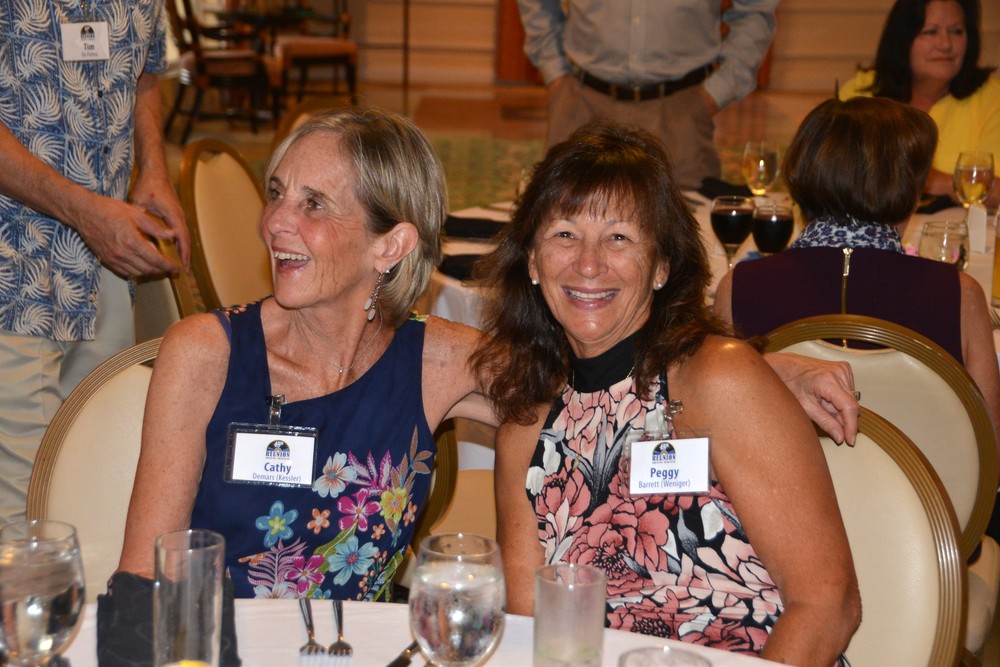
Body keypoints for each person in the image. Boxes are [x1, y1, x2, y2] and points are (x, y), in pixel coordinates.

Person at [473, 120, 861, 662]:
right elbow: (530, 630)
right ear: (533, 262)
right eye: (564, 234)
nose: (589, 263)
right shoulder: (525, 430)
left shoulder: (718, 381)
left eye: (619, 237)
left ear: (660, 266)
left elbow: (828, 605)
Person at [116, 108, 494, 600]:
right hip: (220, 637)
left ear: (390, 246)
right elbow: (144, 577)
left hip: (362, 642)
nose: (274, 222)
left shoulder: (434, 360)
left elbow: (573, 405)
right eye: (276, 193)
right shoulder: (207, 354)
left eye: (314, 204)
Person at [713, 96, 1000, 444]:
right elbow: (990, 444)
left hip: (777, 477)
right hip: (926, 480)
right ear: (908, 191)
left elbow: (718, 423)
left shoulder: (739, 286)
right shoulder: (960, 294)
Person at [0, 1, 189, 526]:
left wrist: (154, 167)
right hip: (14, 271)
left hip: (105, 263)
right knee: (23, 514)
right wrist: (83, 211)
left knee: (96, 489)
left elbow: (146, 69)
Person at [517, 0, 777, 189]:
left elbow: (755, 10)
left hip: (681, 111)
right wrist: (555, 73)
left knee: (684, 237)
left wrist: (714, 93)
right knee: (564, 227)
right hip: (581, 103)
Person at [839, 0, 1000, 208]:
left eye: (956, 31)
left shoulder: (991, 97)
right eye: (930, 32)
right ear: (902, 39)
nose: (945, 44)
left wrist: (937, 182)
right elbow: (829, 178)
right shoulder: (861, 93)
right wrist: (956, 183)